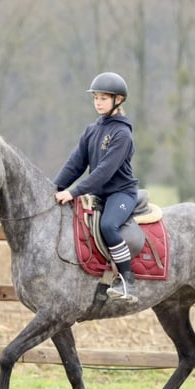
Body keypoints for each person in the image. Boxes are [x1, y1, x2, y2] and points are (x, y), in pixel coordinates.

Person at [54, 72, 139, 303]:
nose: (98, 102)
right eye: (96, 98)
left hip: (121, 193)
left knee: (108, 225)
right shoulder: (91, 130)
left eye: (103, 98)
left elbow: (103, 172)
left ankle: (127, 282)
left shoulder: (122, 134)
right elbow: (75, 164)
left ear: (118, 100)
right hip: (98, 194)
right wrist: (54, 188)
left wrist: (72, 192)